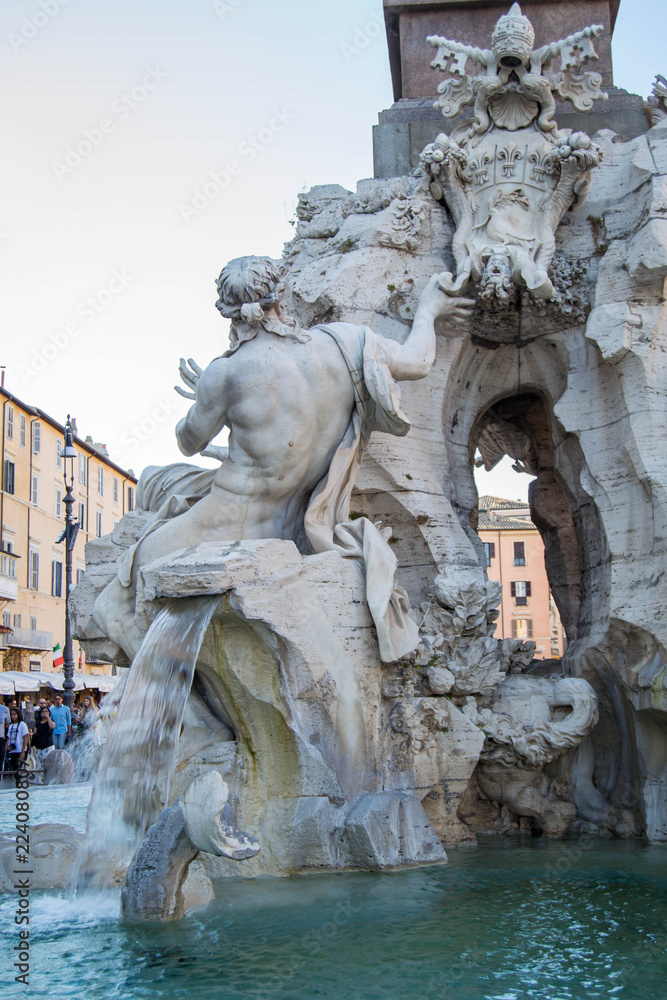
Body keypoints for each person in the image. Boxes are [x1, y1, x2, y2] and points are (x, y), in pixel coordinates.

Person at [93, 256, 474, 663]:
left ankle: (194, 720)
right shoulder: (346, 344)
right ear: (281, 294)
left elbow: (188, 442)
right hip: (295, 524)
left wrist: (205, 398)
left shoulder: (226, 373)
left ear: (226, 311)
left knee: (110, 603)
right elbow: (418, 362)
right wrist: (429, 310)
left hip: (227, 522)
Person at [6, 708, 29, 783]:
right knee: (14, 767)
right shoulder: (11, 726)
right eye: (11, 714)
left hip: (20, 749)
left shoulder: (22, 724)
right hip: (12, 750)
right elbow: (8, 738)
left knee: (19, 767)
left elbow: (25, 738)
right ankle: (17, 781)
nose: (13, 716)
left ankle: (19, 782)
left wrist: (23, 751)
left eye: (14, 714)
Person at [31, 706, 55, 778]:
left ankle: (48, 778)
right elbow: (35, 734)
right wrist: (32, 745)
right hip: (39, 746)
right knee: (38, 765)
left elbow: (52, 727)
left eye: (46, 711)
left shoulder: (50, 722)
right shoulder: (38, 723)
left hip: (47, 745)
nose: (44, 713)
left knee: (47, 764)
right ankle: (40, 780)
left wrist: (48, 718)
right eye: (43, 711)